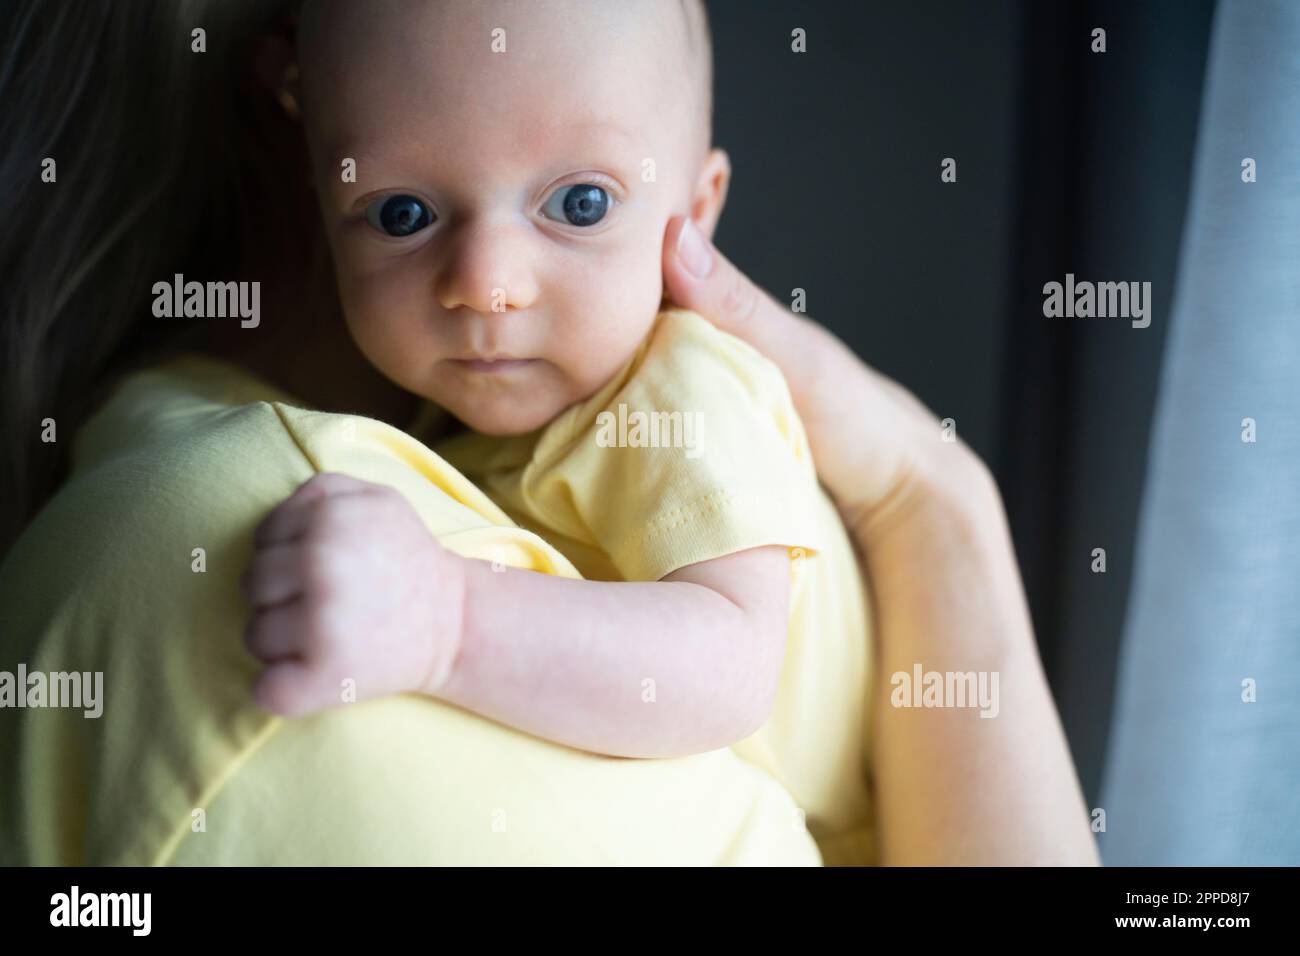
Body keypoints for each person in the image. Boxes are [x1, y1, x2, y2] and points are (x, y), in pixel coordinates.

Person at [0, 0, 1097, 865]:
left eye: (577, 204)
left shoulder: (681, 390)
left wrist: (450, 620)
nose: (484, 282)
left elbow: (725, 666)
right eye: (401, 213)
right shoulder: (457, 427)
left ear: (696, 214)